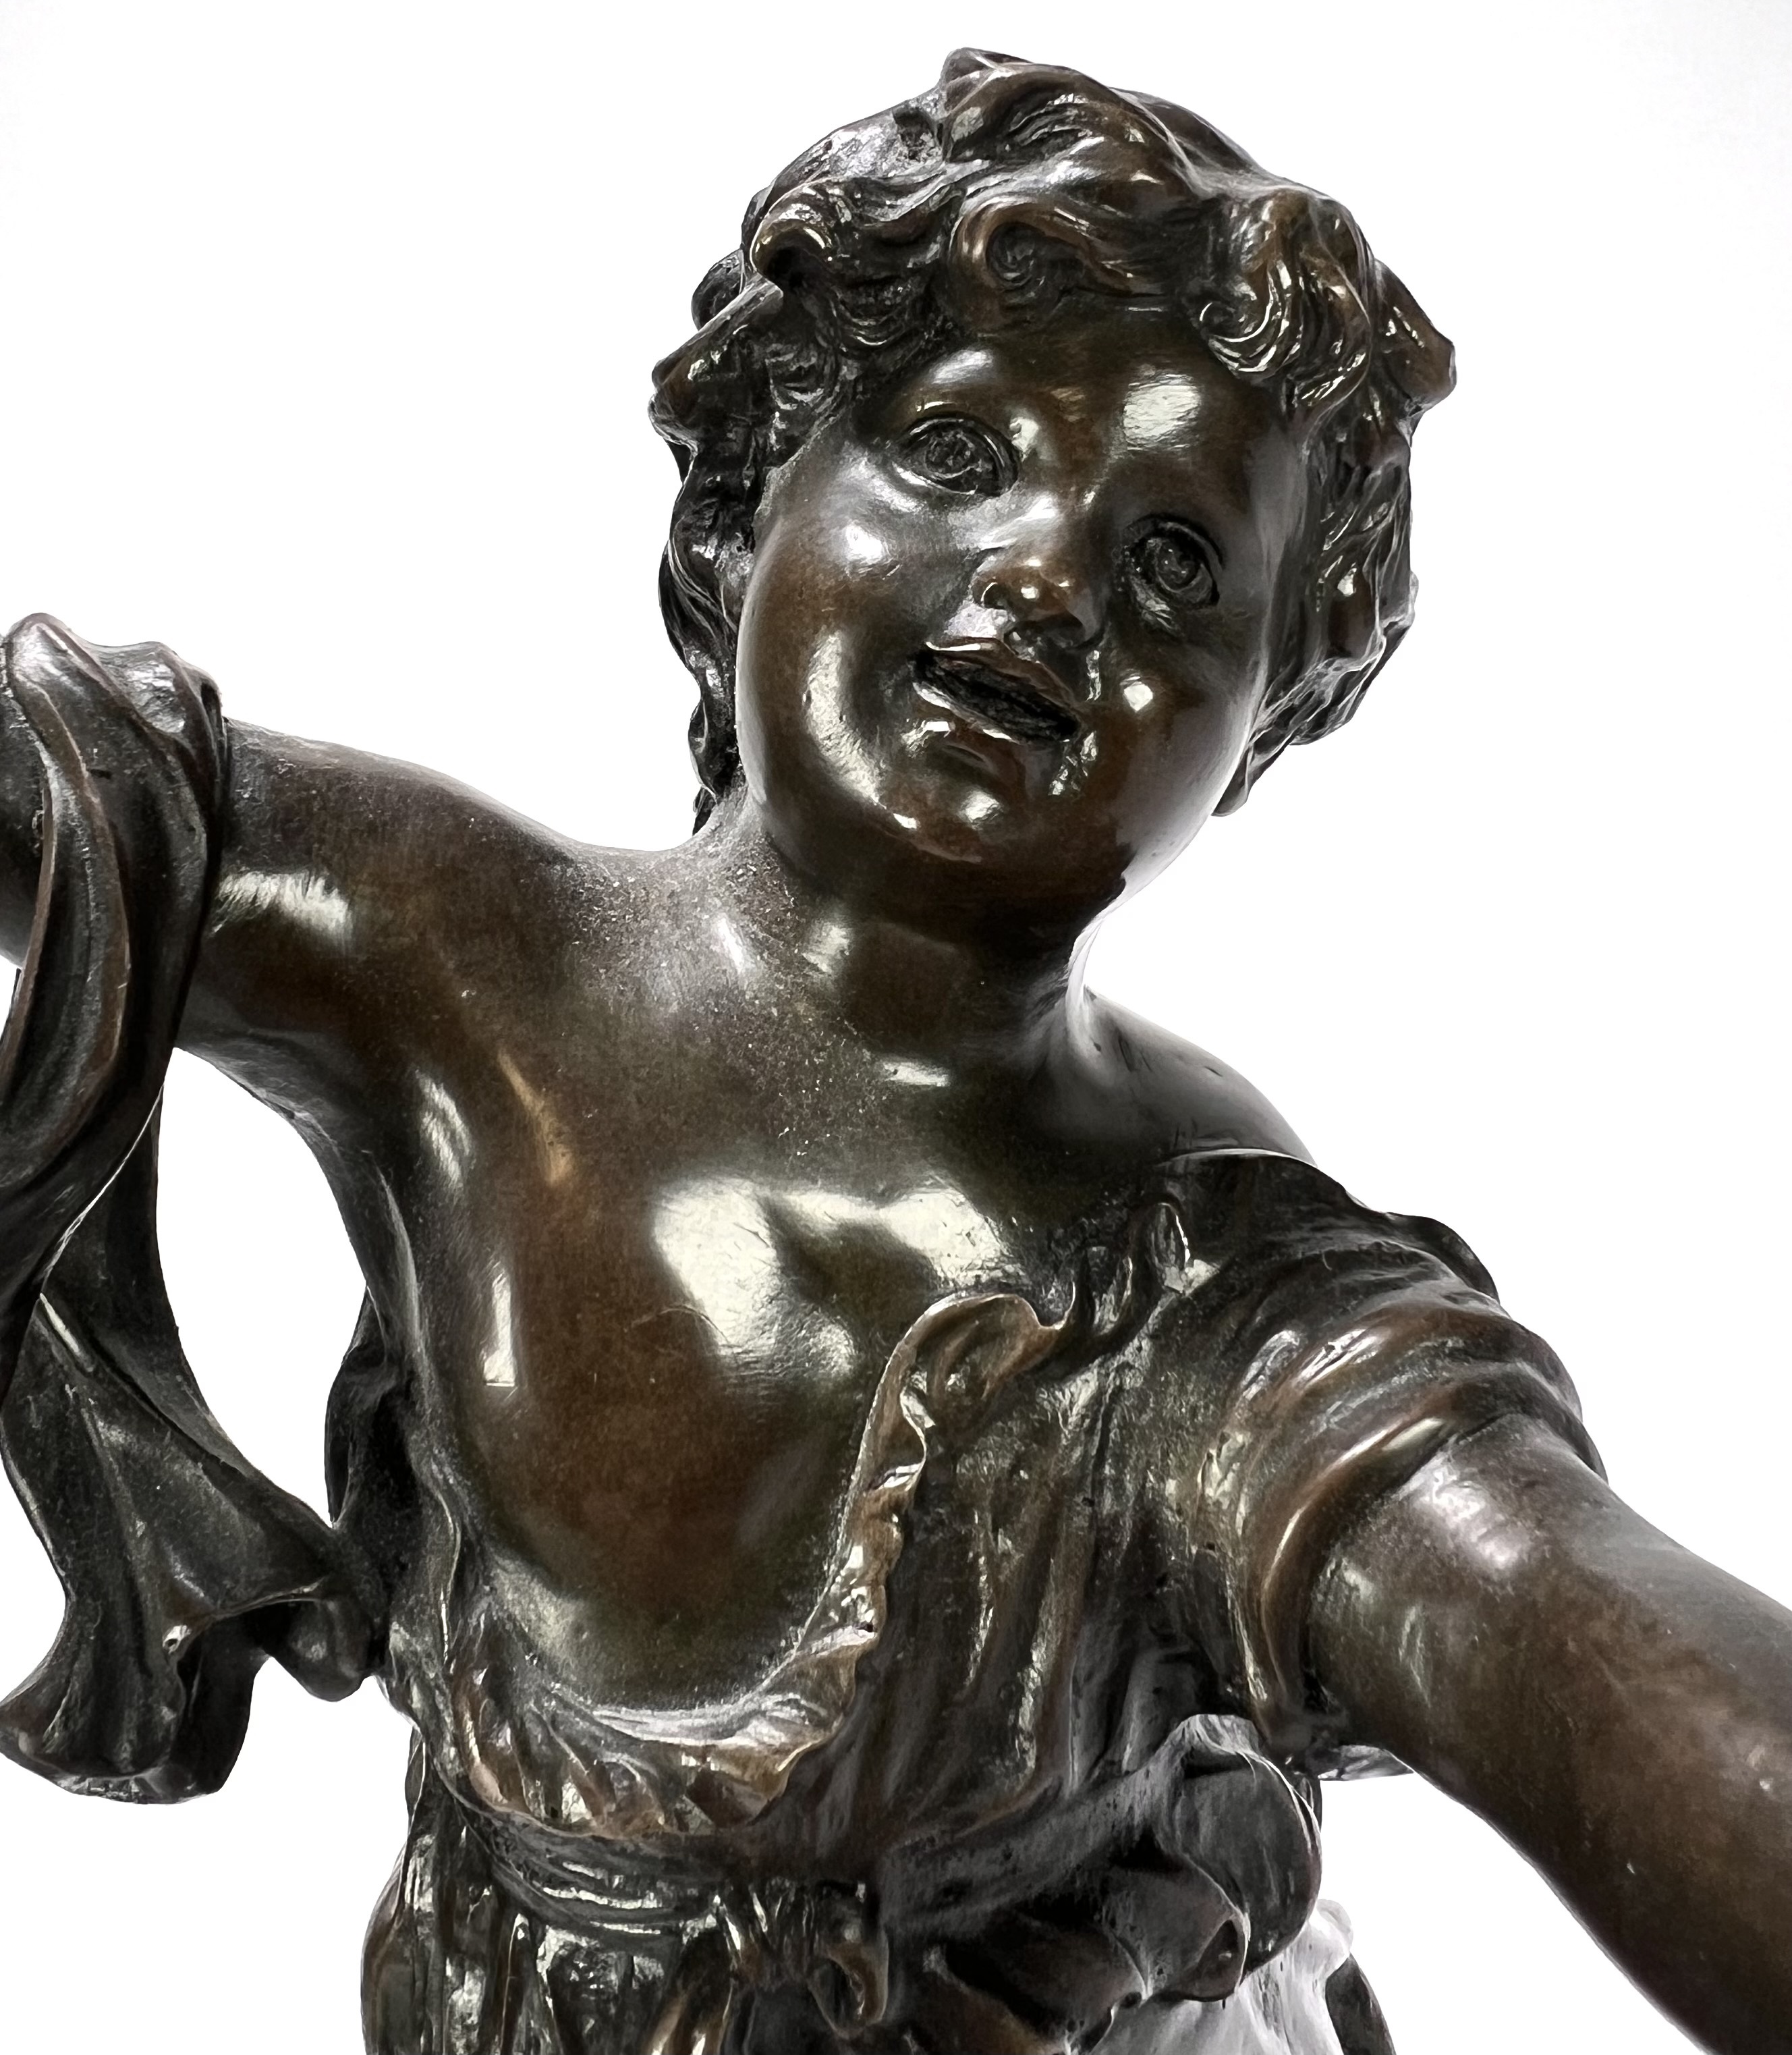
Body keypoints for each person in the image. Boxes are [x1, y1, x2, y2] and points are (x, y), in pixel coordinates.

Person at [0, 47, 1787, 2055]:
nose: (1049, 579)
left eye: (1177, 566)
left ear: (1258, 728)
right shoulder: (465, 966)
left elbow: (1540, 1612)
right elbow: (84, 798)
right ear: (748, 501)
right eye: (954, 449)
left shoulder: (1202, 1286)